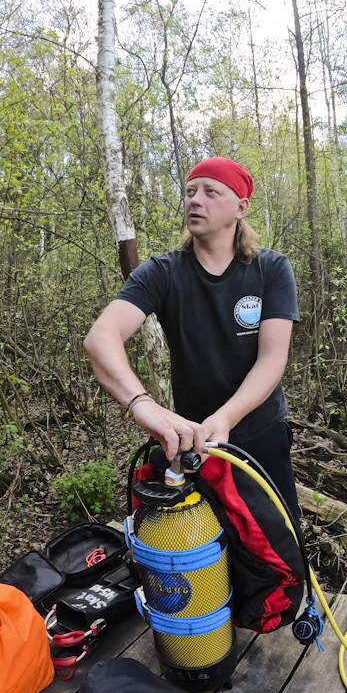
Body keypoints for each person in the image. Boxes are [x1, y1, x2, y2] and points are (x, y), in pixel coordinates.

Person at [83, 156, 300, 517]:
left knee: (277, 551)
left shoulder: (271, 269)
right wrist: (142, 405)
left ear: (240, 208)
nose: (195, 200)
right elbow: (100, 337)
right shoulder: (162, 272)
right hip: (191, 442)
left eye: (211, 192)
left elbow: (272, 358)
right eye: (190, 192)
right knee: (205, 552)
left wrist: (227, 417)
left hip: (261, 435)